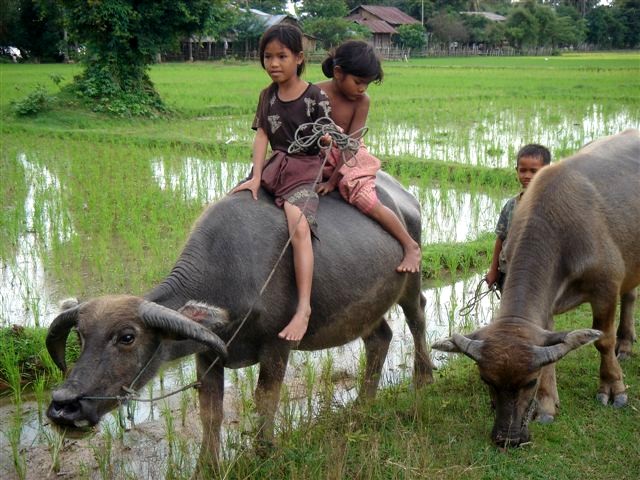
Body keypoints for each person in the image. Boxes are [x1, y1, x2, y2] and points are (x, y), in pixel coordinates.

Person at [231, 24, 331, 341]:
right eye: (267, 57)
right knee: (232, 207)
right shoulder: (267, 96)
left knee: (298, 225)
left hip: (304, 168)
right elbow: (263, 136)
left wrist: (327, 138)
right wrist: (256, 177)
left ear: (299, 58)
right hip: (276, 165)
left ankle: (303, 308)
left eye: (281, 56)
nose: (273, 63)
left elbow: (327, 133)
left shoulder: (316, 96)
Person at [316, 41, 422, 273]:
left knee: (363, 198)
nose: (362, 88)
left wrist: (334, 180)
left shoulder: (362, 101)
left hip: (348, 157)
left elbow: (351, 143)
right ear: (338, 73)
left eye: (367, 83)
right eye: (358, 82)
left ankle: (409, 244)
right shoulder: (314, 93)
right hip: (315, 152)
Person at [485, 144, 552, 291]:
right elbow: (501, 238)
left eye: (534, 171)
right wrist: (493, 270)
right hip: (507, 272)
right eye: (523, 170)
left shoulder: (551, 207)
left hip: (537, 275)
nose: (527, 175)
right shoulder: (511, 205)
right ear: (517, 171)